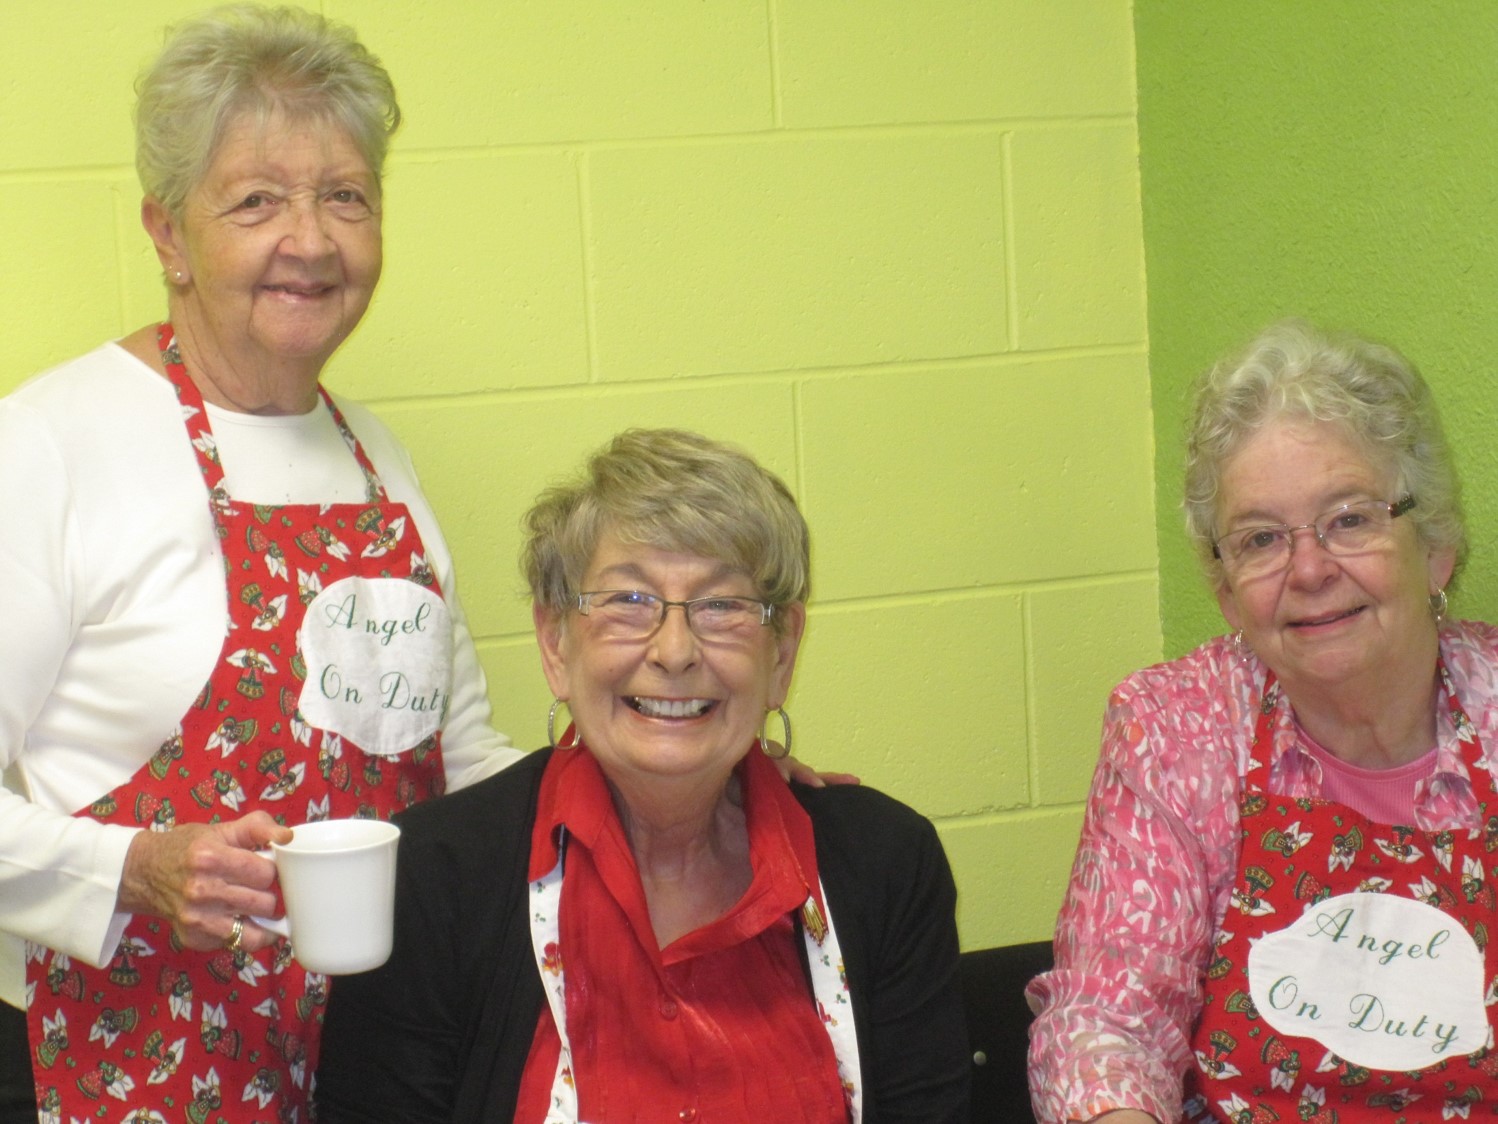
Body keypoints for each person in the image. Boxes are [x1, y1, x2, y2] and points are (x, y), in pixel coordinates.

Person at [0, 7, 525, 1121]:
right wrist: (136, 866)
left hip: (377, 1062)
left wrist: (693, 784)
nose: (312, 239)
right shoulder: (48, 443)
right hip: (128, 1056)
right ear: (167, 233)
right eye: (255, 200)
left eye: (346, 195)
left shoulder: (375, 454)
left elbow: (464, 760)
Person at [314, 428, 969, 1122]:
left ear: (782, 654)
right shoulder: (434, 878)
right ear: (554, 642)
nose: (676, 651)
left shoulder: (886, 863)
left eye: (722, 606)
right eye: (629, 601)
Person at [1025, 320, 1498, 1123]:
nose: (1310, 569)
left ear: (1437, 547)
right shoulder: (1175, 727)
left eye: (1351, 518)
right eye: (1261, 539)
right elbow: (1108, 1023)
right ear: (1224, 588)